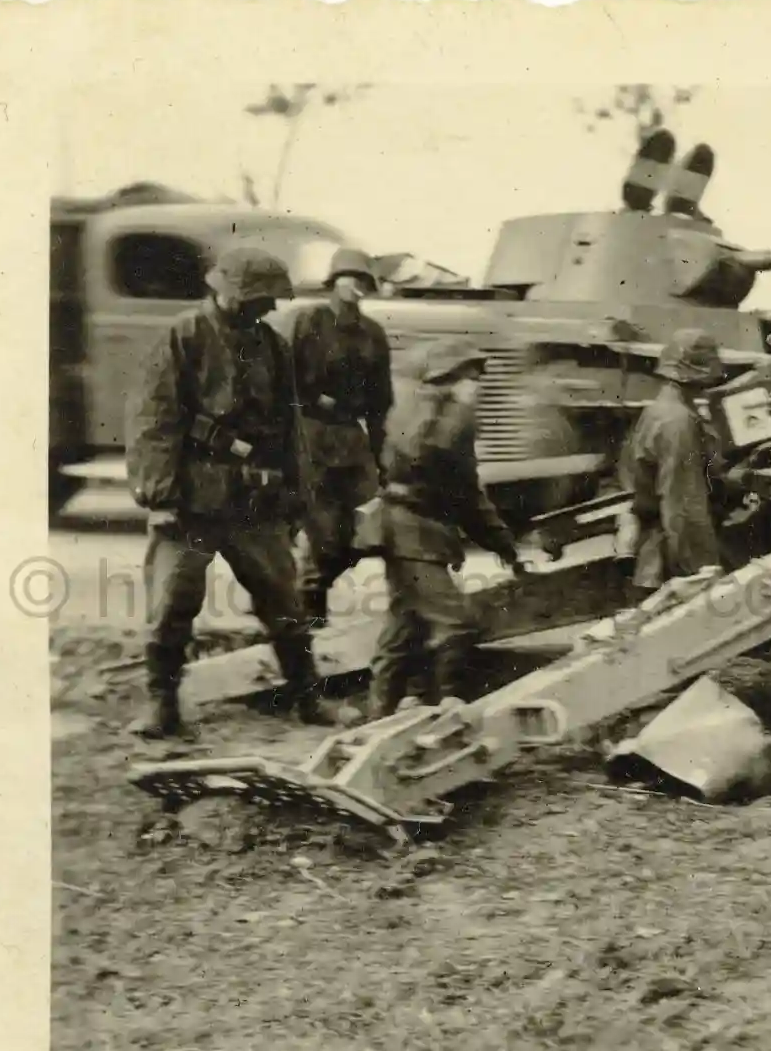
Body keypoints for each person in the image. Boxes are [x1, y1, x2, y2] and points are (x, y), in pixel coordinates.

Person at [124, 246, 331, 739]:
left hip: (255, 503)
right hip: (190, 504)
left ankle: (307, 698)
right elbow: (154, 421)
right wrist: (160, 499)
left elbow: (290, 427)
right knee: (171, 606)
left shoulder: (272, 346)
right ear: (230, 294)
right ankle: (162, 708)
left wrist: (297, 497)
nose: (271, 307)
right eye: (262, 298)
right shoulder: (183, 336)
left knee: (284, 603)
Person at [367, 337, 528, 719]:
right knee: (456, 623)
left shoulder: (427, 411)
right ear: (451, 376)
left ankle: (379, 716)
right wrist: (459, 410)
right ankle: (447, 711)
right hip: (412, 532)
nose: (477, 385)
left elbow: (468, 494)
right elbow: (431, 459)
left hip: (408, 531)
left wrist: (503, 544)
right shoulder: (431, 416)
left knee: (404, 628)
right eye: (471, 376)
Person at [288, 247, 396, 625]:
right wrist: (316, 400)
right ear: (334, 283)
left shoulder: (372, 334)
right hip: (311, 439)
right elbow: (286, 381)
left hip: (352, 442)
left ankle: (302, 595)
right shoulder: (309, 322)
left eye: (362, 280)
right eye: (348, 278)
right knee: (325, 536)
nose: (355, 286)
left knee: (363, 536)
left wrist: (382, 459)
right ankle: (309, 615)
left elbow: (380, 402)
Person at [618, 327, 727, 598]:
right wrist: (703, 573)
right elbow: (683, 504)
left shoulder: (661, 409)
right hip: (667, 559)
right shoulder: (678, 422)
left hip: (656, 543)